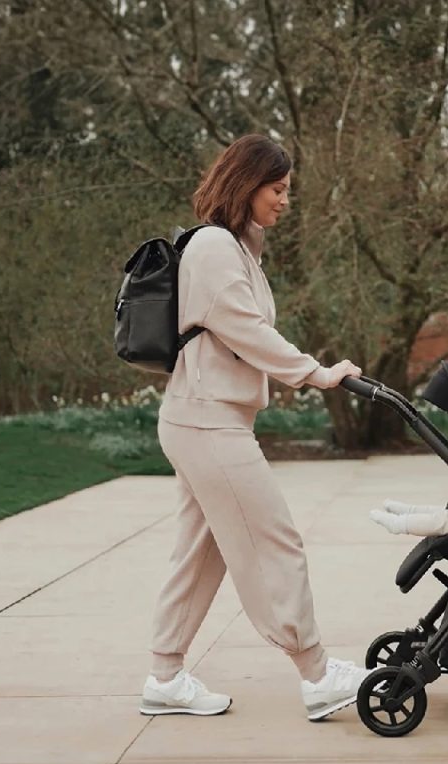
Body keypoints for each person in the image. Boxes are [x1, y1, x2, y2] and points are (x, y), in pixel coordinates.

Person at [140, 134, 370, 722]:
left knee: (201, 554)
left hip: (205, 417)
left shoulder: (239, 248)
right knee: (274, 541)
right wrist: (316, 374)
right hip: (207, 420)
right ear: (247, 185)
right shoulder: (216, 246)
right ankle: (317, 674)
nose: (285, 200)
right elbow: (245, 329)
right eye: (278, 188)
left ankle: (164, 676)